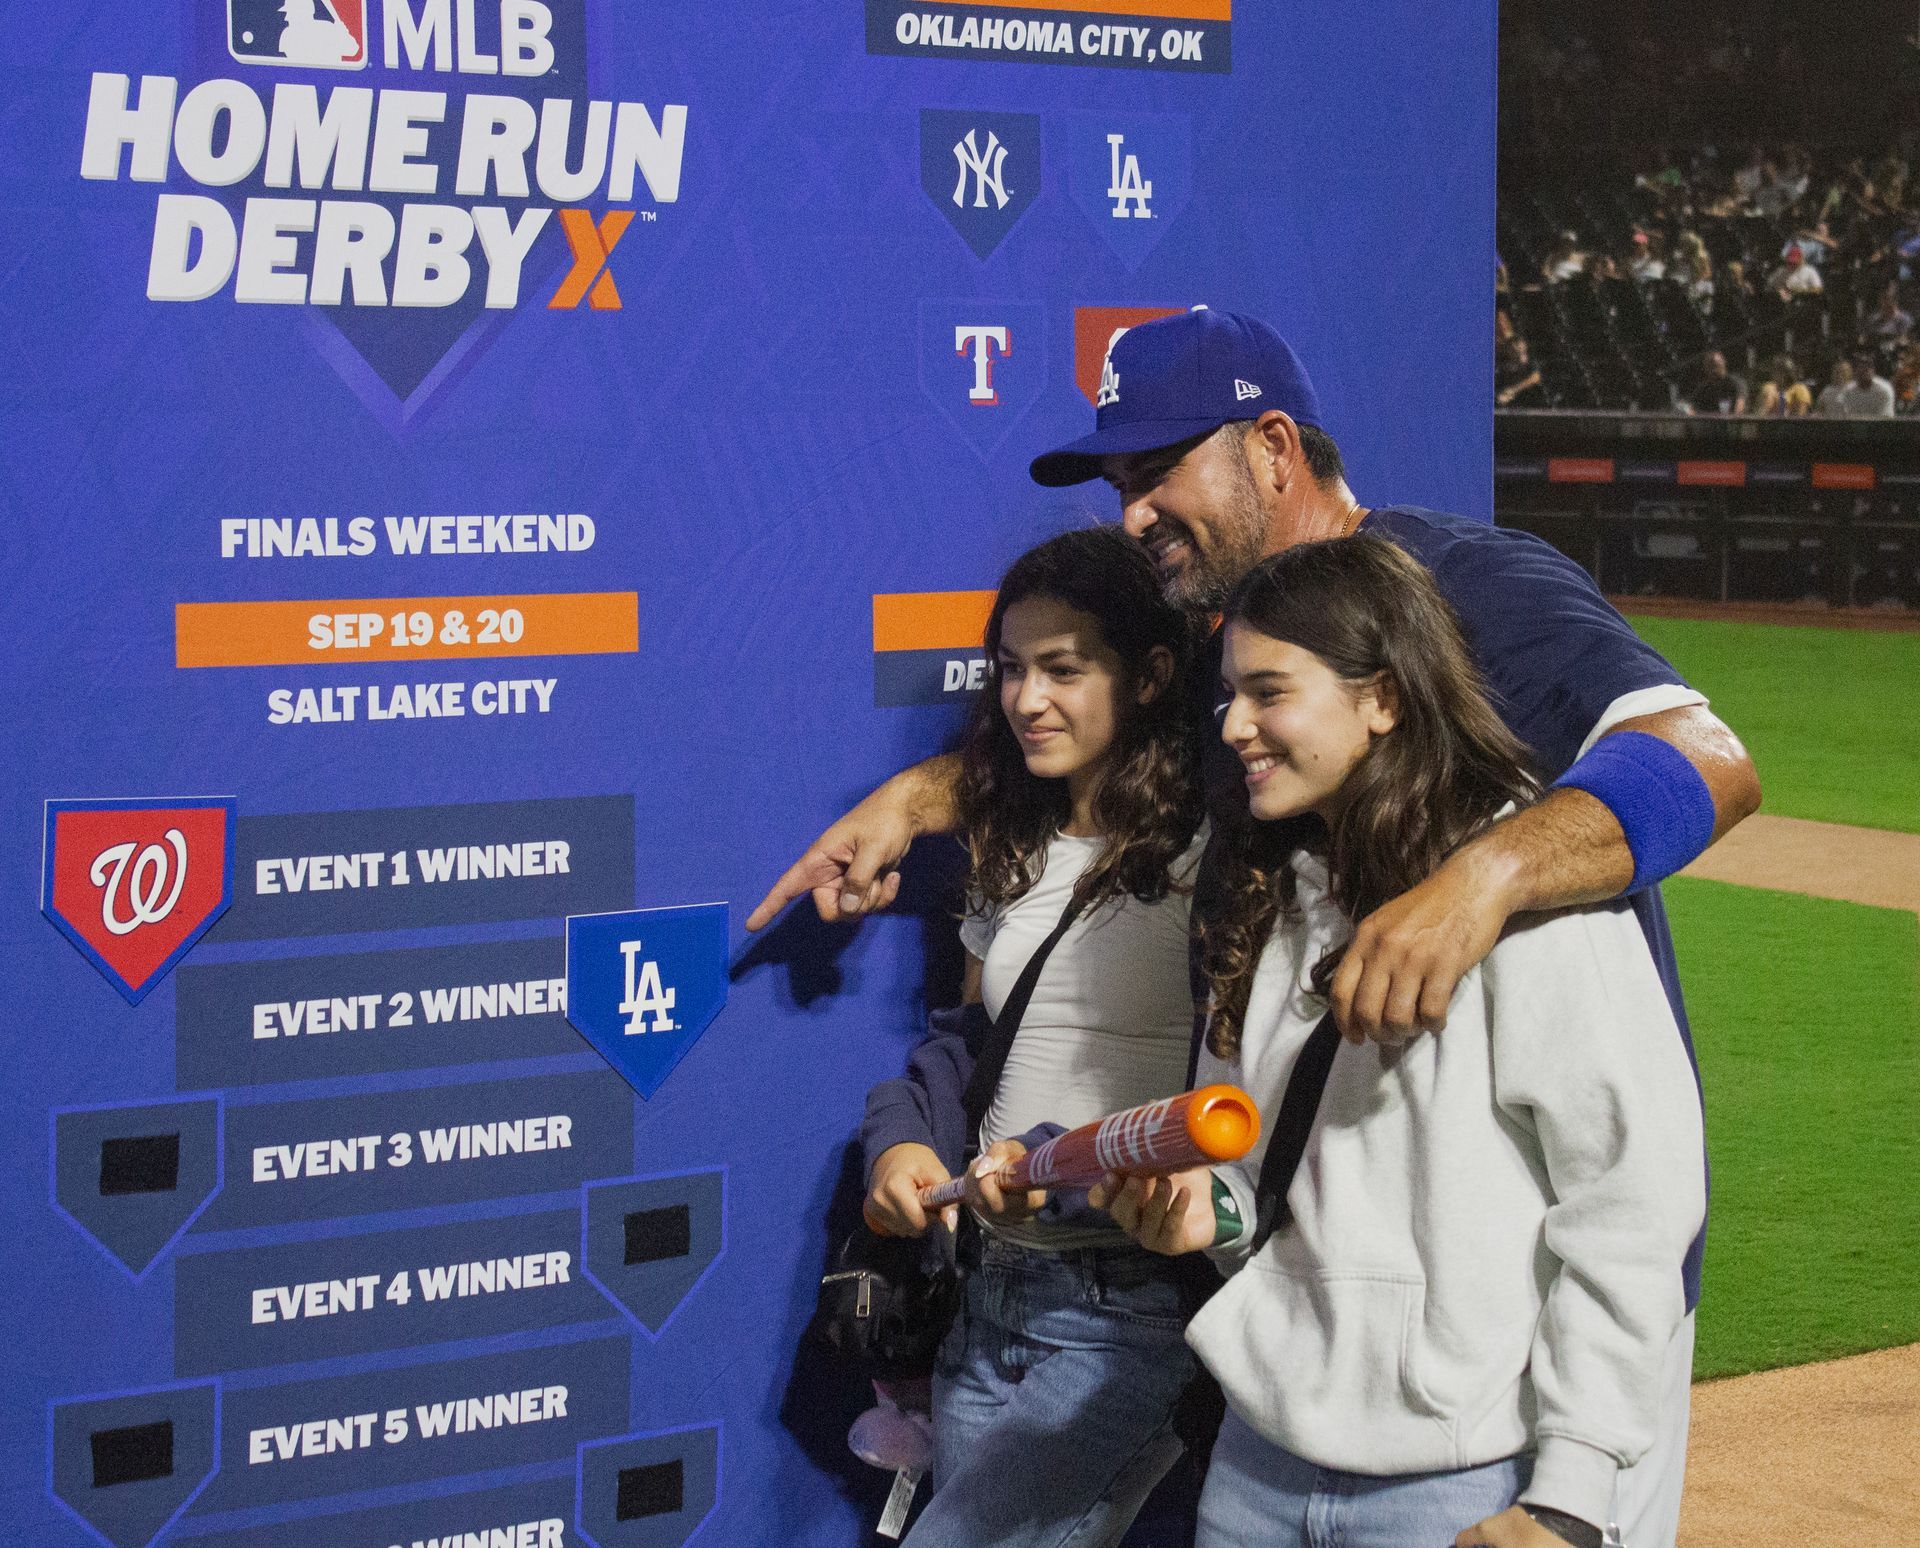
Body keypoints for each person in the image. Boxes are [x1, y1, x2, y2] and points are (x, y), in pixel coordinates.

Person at [753, 308, 1761, 1548]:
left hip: (1517, 1369)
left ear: (1274, 448)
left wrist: (1481, 880)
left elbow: (1709, 761)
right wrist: (918, 798)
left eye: (1158, 472)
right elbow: (1115, 760)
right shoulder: (1233, 690)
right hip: (1302, 1378)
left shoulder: (1464, 584)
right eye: (1121, 484)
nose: (1133, 513)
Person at [1100, 536, 1705, 1548]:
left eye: (1269, 693)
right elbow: (1273, 1175)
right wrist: (1207, 1212)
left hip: (1461, 1483)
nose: (1233, 724)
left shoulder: (1526, 905)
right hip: (1255, 1466)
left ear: (1380, 698)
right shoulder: (1267, 885)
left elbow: (1632, 1203)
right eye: (1230, 694)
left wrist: (1570, 1493)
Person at [859, 526, 1211, 1548]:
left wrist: (1054, 1167)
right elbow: (965, 1048)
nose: (1027, 699)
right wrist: (901, 1143)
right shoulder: (1014, 843)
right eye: (1012, 669)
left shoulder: (1209, 855)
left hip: (1126, 1310)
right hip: (985, 1293)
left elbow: (1238, 1096)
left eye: (1063, 669)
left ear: (1149, 675)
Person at [1837, 350, 1896, 417]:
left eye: (1868, 367)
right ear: (1855, 371)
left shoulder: (1883, 390)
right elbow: (1847, 415)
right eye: (1860, 367)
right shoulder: (1848, 391)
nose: (1864, 371)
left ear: (1873, 370)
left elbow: (1884, 418)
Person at [1685, 350, 1746, 414]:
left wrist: (1734, 417)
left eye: (1716, 365)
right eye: (1710, 366)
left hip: (1733, 419)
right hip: (1709, 420)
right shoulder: (1704, 388)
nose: (1713, 370)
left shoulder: (1736, 383)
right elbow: (1691, 408)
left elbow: (1740, 406)